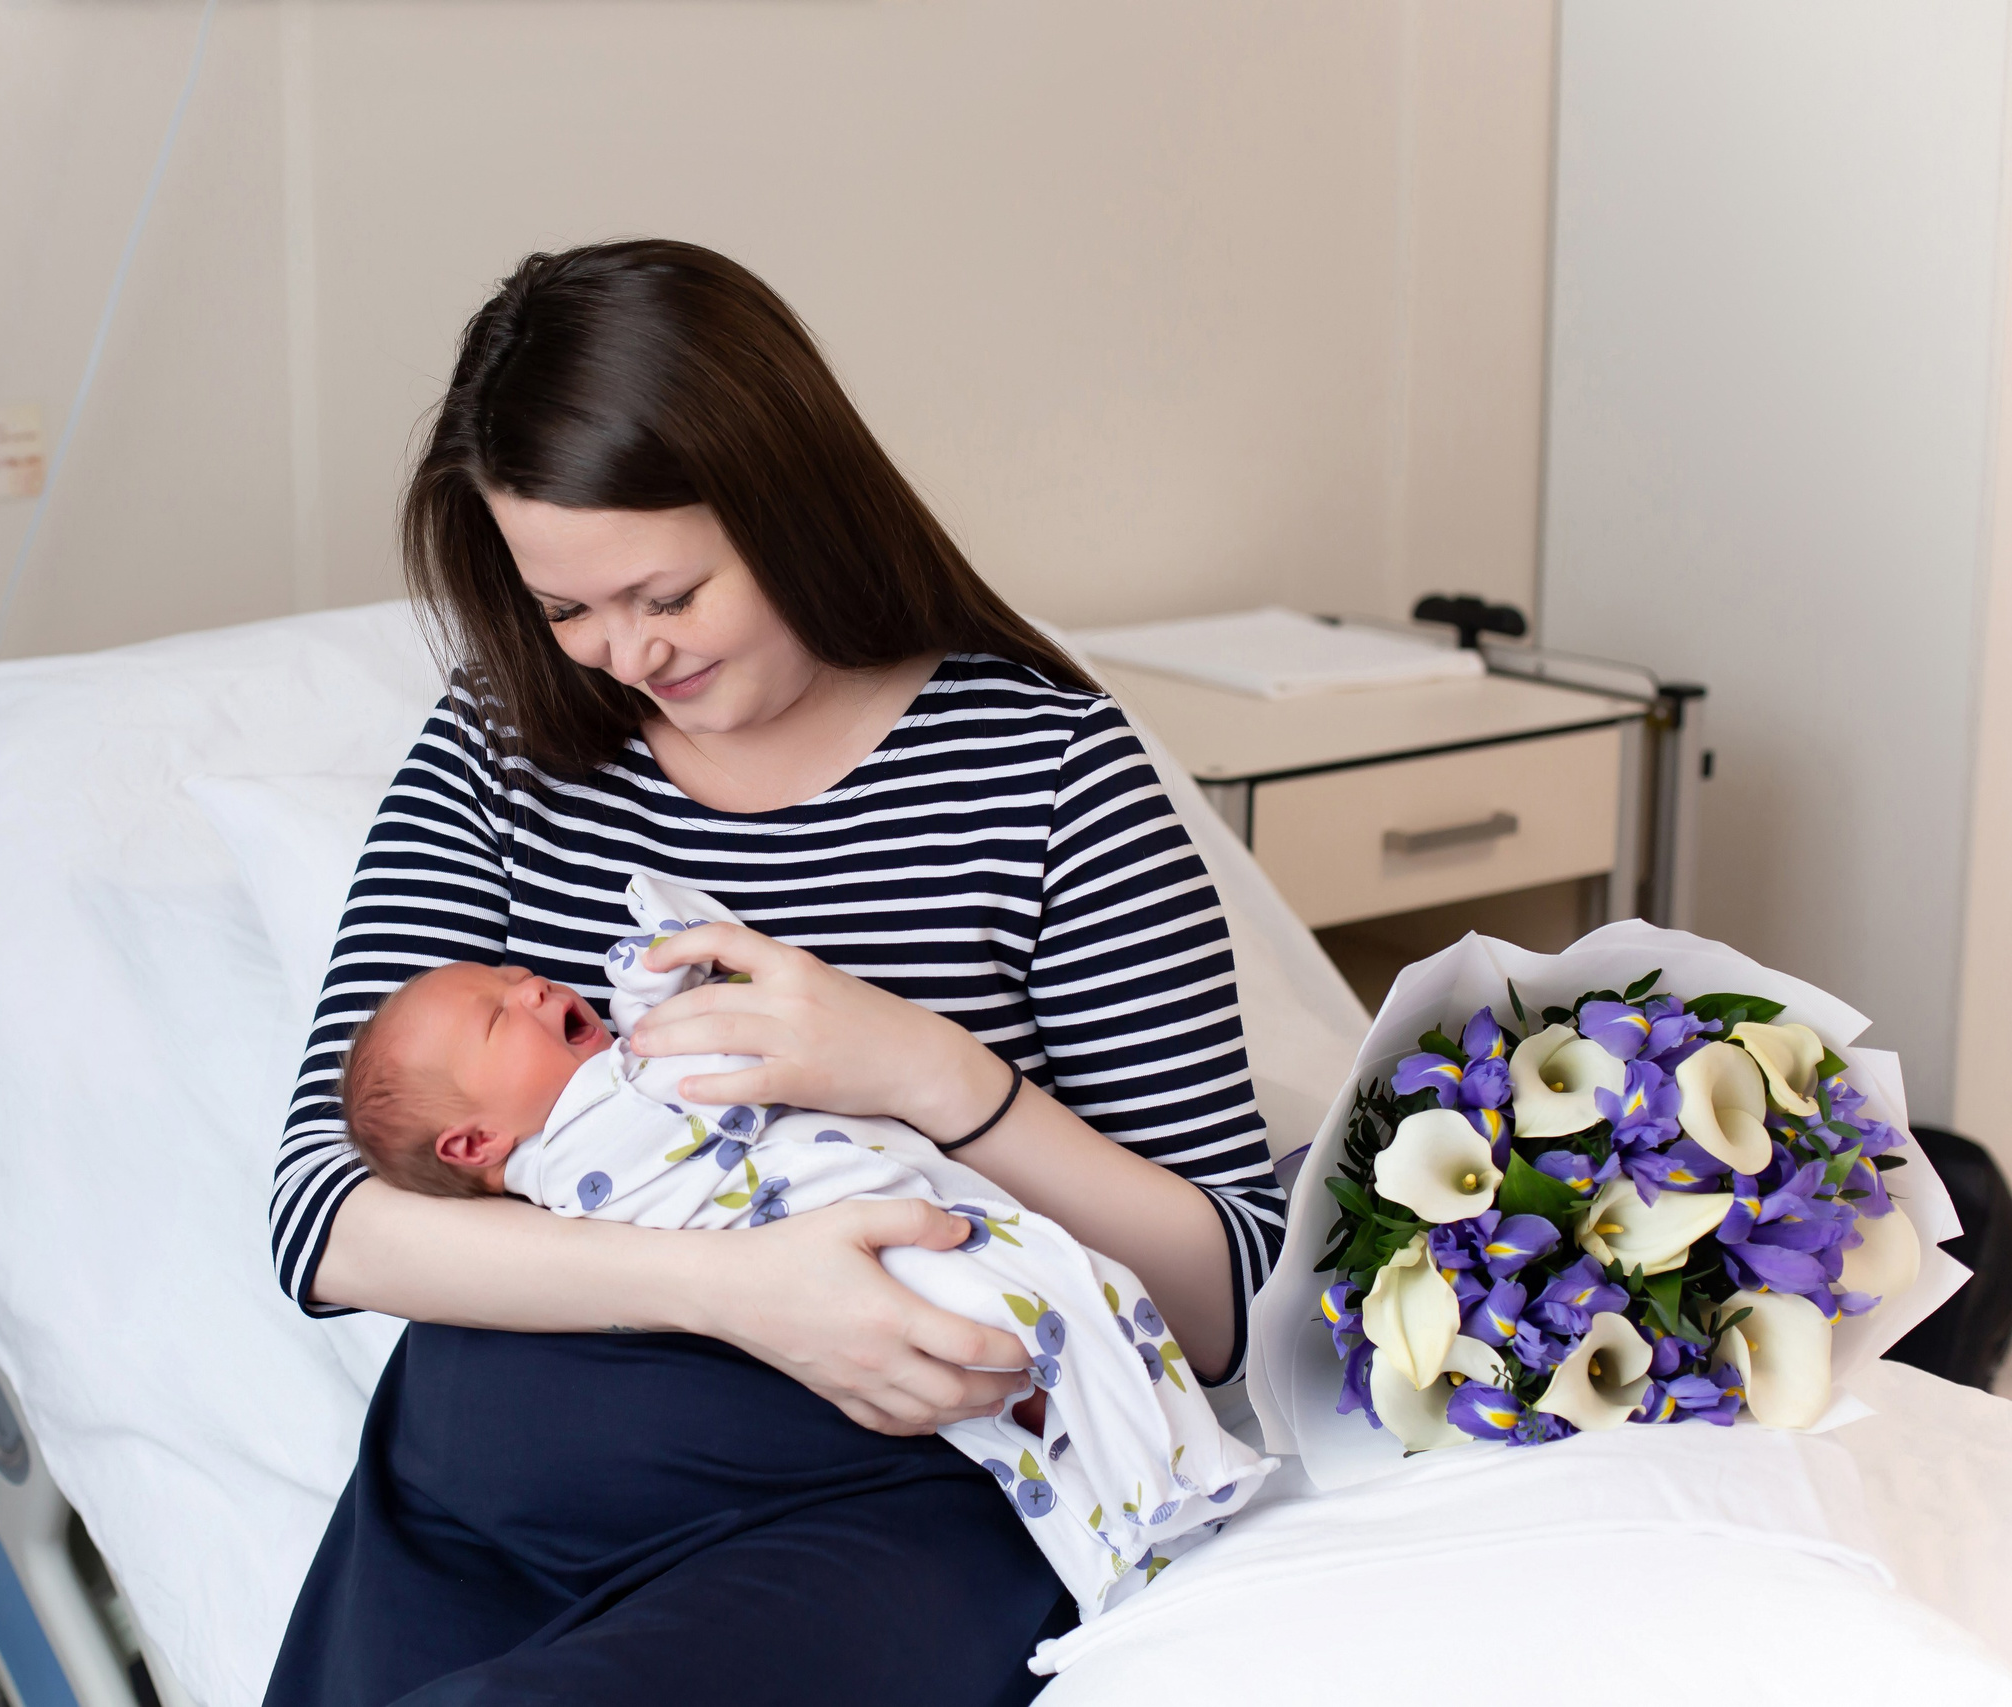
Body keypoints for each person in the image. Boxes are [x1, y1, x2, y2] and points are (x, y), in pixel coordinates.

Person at [264, 238, 1283, 1707]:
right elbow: (323, 1214)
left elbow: (1224, 1298)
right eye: (567, 609)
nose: (623, 652)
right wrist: (740, 1287)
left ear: (789, 500)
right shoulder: (503, 746)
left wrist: (935, 1075)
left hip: (886, 1477)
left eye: (665, 591)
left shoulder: (1049, 773)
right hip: (494, 1482)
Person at [331, 873, 1273, 1626]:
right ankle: (1146, 1505)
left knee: (1073, 1312)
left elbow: (1237, 1278)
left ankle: (1151, 1503)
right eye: (500, 1015)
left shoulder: (612, 1079)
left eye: (511, 979)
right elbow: (314, 1225)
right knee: (1046, 1332)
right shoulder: (577, 1148)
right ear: (471, 1147)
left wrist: (932, 1068)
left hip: (874, 1321)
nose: (530, 982)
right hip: (842, 1282)